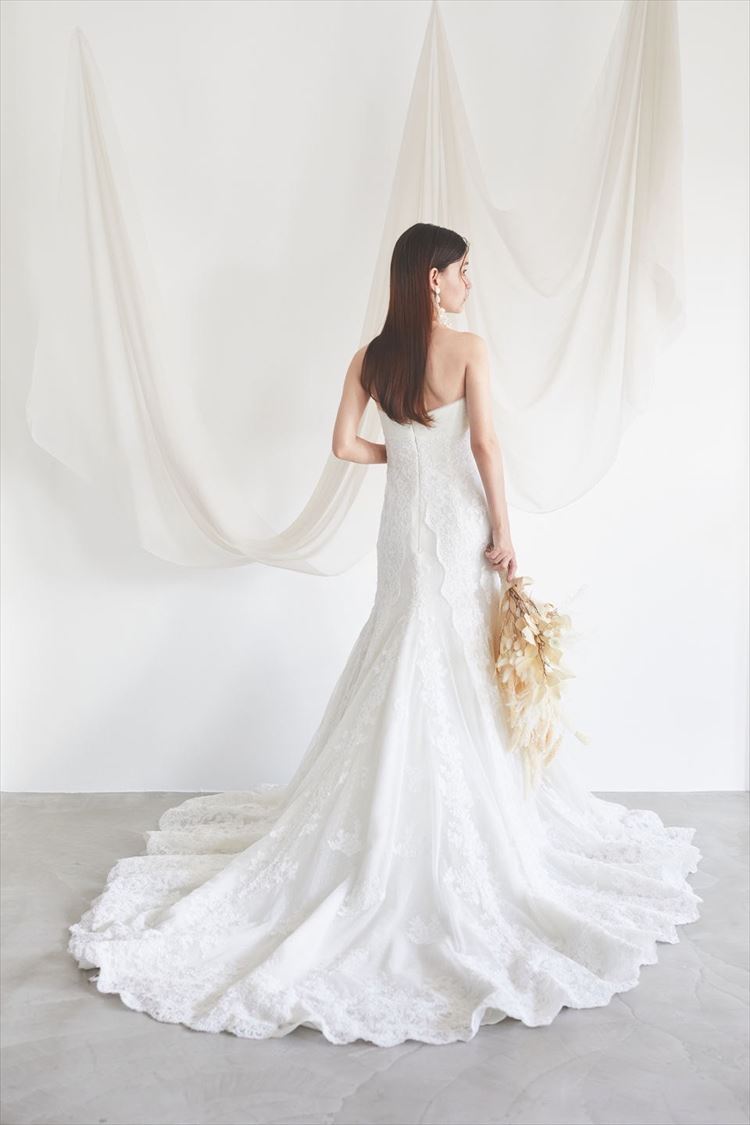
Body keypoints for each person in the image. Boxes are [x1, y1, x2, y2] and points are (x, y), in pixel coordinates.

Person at [68, 223, 703, 1047]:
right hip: (459, 522)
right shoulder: (469, 349)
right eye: (463, 270)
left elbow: (342, 443)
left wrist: (404, 457)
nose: (470, 283)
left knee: (404, 644)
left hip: (402, 531)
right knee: (455, 657)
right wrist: (505, 530)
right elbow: (484, 443)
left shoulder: (371, 357)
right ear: (433, 278)